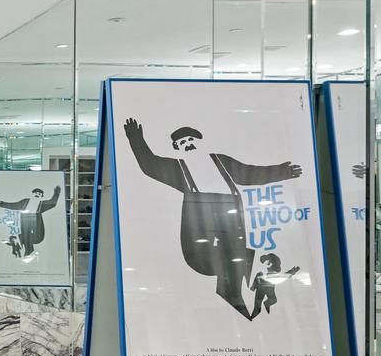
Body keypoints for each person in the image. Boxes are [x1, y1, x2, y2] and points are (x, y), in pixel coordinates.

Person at [123, 118, 303, 319]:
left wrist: (282, 171)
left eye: (190, 139)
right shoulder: (179, 169)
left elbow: (249, 173)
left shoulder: (221, 161)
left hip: (231, 227)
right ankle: (239, 306)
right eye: (182, 143)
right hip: (202, 236)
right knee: (227, 266)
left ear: (200, 140)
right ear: (177, 149)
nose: (187, 144)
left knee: (239, 261)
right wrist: (135, 138)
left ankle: (247, 305)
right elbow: (150, 165)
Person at [0, 183, 64, 261]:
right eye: (36, 193)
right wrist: (3, 204)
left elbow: (53, 203)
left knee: (37, 238)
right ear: (32, 194)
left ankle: (28, 251)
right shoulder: (25, 201)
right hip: (25, 221)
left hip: (36, 222)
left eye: (39, 194)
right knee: (25, 236)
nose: (37, 195)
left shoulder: (42, 204)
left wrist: (57, 192)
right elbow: (14, 205)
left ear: (41, 196)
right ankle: (28, 252)